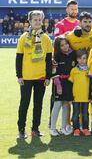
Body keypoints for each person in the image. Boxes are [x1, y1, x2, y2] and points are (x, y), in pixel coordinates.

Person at [16, 10, 52, 139]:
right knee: (24, 103)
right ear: (29, 21)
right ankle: (21, 130)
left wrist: (48, 77)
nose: (37, 22)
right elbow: (19, 58)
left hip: (40, 77)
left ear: (42, 21)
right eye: (34, 20)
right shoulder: (23, 38)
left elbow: (48, 59)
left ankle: (35, 129)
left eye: (39, 20)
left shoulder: (46, 39)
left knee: (38, 104)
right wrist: (19, 75)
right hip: (26, 77)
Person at [49, 36, 76, 137]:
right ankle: (52, 128)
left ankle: (64, 127)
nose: (65, 47)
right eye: (62, 45)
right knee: (57, 105)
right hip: (59, 83)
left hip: (69, 83)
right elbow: (54, 72)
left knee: (66, 105)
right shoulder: (56, 57)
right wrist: (58, 86)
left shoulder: (73, 54)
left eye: (66, 44)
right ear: (58, 47)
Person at [68, 49, 91, 136]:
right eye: (80, 58)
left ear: (86, 59)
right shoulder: (74, 70)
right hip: (75, 97)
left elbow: (91, 84)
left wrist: (90, 96)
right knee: (75, 114)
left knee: (85, 114)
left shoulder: (89, 70)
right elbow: (70, 84)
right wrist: (70, 97)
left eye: (84, 58)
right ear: (77, 59)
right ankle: (76, 129)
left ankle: (85, 128)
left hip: (85, 97)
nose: (82, 60)